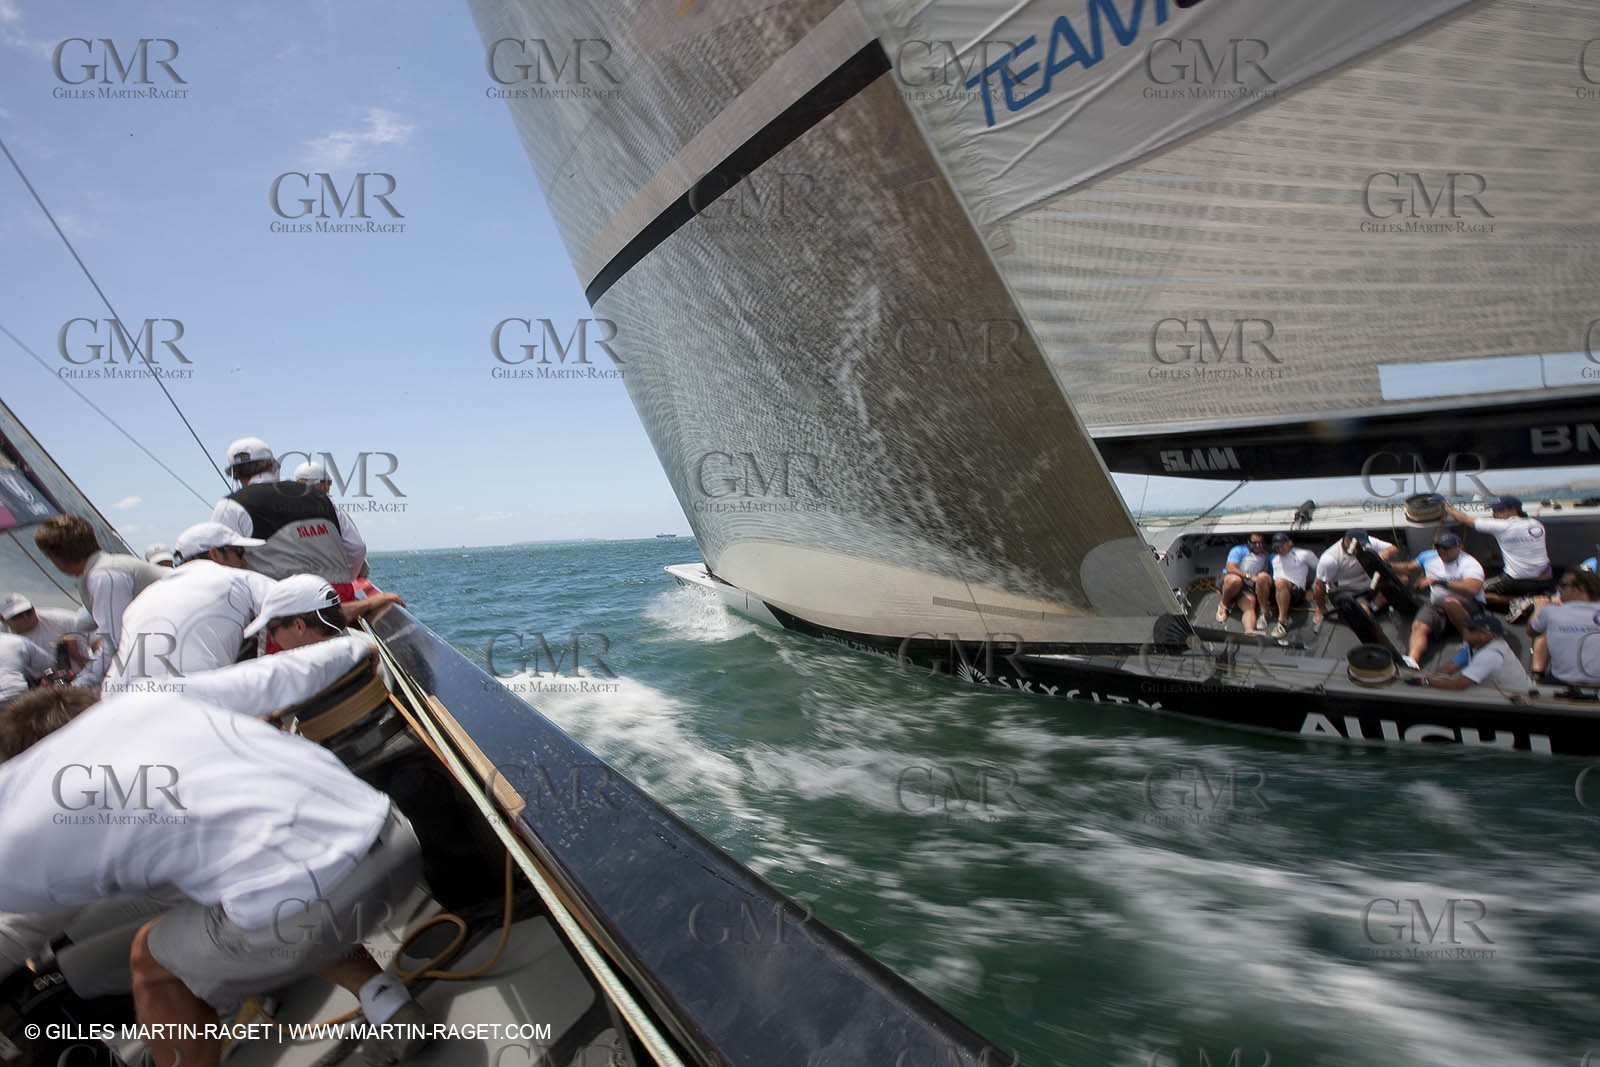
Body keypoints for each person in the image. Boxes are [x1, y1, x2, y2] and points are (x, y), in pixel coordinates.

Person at [0, 649, 430, 1067]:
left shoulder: (60, 804)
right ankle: (387, 1003)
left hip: (317, 906)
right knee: (262, 879)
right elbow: (276, 675)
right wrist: (357, 645)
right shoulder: (153, 703)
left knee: (151, 961)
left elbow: (24, 928)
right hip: (398, 838)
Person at [104, 523, 277, 688]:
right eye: (239, 552)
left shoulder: (143, 597)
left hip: (119, 702)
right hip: (191, 699)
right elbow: (294, 601)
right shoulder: (237, 579)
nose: (245, 562)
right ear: (214, 553)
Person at [210, 437, 366, 599]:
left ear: (234, 474)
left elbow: (223, 565)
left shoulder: (229, 506)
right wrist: (345, 578)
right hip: (337, 599)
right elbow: (357, 547)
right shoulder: (322, 497)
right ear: (272, 465)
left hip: (282, 605)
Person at [32, 515, 166, 689]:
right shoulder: (107, 566)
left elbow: (116, 642)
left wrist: (78, 685)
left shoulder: (103, 576)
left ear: (54, 556)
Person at [1443, 496, 1552, 618]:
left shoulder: (1502, 526)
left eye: (1498, 510)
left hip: (1516, 580)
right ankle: (1534, 598)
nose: (1493, 514)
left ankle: (1521, 600)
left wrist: (1447, 507)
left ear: (1512, 510)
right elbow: (1522, 548)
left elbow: (1466, 519)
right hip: (1544, 578)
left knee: (1476, 592)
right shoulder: (1536, 524)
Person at [242, 574, 406, 651]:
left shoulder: (303, 674)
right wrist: (373, 602)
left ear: (299, 626)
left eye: (271, 629)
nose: (271, 637)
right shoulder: (359, 646)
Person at [1404, 531, 1485, 666]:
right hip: (1437, 604)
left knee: (1450, 603)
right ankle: (1412, 661)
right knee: (1419, 625)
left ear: (1459, 547)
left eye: (1447, 548)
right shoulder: (1428, 557)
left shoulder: (1469, 563)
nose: (1442, 551)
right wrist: (1388, 566)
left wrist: (1439, 582)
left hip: (1467, 605)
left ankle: (1470, 641)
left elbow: (1473, 589)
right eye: (1439, 547)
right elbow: (1408, 568)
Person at [1412, 613, 1531, 692]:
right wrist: (1425, 677)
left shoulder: (1490, 655)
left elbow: (1459, 685)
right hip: (1496, 695)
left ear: (1485, 636)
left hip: (1514, 701)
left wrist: (1425, 682)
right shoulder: (1474, 647)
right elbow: (1448, 669)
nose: (1464, 630)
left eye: (1470, 629)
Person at [1312, 529, 1400, 627]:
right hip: (1349, 590)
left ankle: (1373, 607)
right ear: (1346, 540)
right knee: (1363, 613)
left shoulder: (1366, 541)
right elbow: (1318, 585)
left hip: (1371, 582)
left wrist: (1386, 553)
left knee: (1401, 581)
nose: (1359, 548)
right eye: (1356, 545)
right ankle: (1368, 610)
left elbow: (1394, 549)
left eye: (1361, 545)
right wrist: (1321, 608)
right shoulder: (1329, 559)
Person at [1529, 568, 1600, 686]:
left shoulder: (1551, 611)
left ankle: (1537, 675)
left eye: (1563, 585)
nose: (1558, 589)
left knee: (1546, 627)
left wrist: (1538, 609)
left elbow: (1531, 631)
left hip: (1562, 683)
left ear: (1581, 588)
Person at [0, 593, 93, 669]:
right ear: (3, 619)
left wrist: (76, 655)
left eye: (29, 611)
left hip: (78, 682)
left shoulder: (63, 619)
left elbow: (99, 641)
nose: (26, 618)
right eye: (18, 616)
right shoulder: (3, 635)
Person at [1215, 533, 1272, 631]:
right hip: (1231, 581)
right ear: (1249, 542)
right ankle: (1223, 604)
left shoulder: (1265, 556)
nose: (1258, 545)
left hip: (1246, 588)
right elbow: (1230, 567)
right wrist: (1248, 576)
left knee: (1250, 605)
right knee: (1235, 580)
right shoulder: (1239, 550)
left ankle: (1249, 632)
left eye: (1261, 543)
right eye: (1254, 543)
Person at [1266, 533, 1318, 639]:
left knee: (1281, 583)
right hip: (1278, 591)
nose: (1280, 549)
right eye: (1277, 547)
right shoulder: (1274, 559)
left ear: (1290, 543)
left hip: (1295, 592)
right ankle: (1264, 613)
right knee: (1262, 578)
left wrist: (1312, 589)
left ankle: (1282, 622)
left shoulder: (1304, 554)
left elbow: (1322, 570)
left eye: (1282, 545)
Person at [0, 631, 52, 703]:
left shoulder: (16, 641)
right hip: (19, 697)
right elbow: (49, 667)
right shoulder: (16, 640)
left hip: (18, 697)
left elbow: (49, 666)